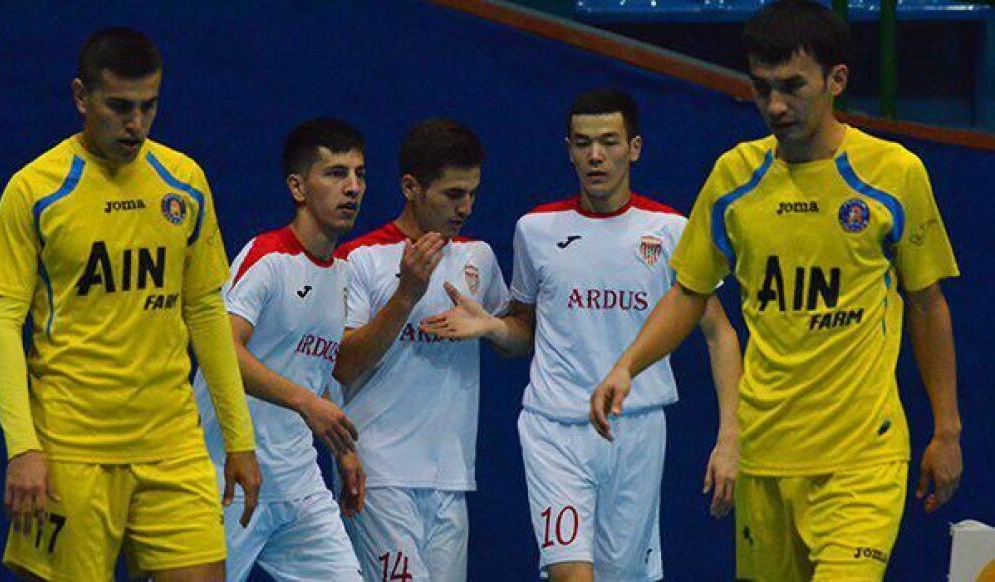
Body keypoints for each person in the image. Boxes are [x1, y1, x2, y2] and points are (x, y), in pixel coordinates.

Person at [589, 1, 963, 578]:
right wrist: (627, 365)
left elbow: (926, 303)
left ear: (837, 80)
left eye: (792, 86)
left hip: (862, 459)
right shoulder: (735, 177)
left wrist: (947, 429)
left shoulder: (893, 174)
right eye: (762, 88)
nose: (776, 105)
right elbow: (690, 292)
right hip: (764, 458)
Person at [421, 88, 742, 581]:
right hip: (554, 429)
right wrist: (492, 327)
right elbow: (525, 333)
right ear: (568, 150)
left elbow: (720, 336)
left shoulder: (671, 230)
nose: (596, 156)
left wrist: (729, 438)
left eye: (609, 142)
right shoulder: (535, 229)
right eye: (583, 143)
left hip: (637, 431)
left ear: (634, 148)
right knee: (572, 575)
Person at [0, 28, 260, 581]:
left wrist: (239, 439)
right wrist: (22, 448)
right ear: (82, 97)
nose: (136, 123)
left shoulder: (184, 182)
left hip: (172, 444)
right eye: (120, 106)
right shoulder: (35, 189)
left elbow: (205, 311)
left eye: (148, 106)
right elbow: (3, 322)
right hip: (70, 449)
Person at [331, 119, 507, 582]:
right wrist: (406, 295)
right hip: (378, 474)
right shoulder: (359, 259)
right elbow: (343, 364)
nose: (466, 207)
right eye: (453, 194)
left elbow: (519, 338)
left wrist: (491, 327)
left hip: (452, 478)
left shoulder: (478, 257)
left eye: (472, 193)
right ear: (411, 187)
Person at [193, 118, 368, 581]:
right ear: (297, 187)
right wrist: (306, 402)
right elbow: (220, 348)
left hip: (299, 485)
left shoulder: (342, 274)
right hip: (228, 479)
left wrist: (342, 449)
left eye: (359, 174)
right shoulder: (267, 258)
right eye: (336, 173)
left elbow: (312, 369)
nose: (352, 187)